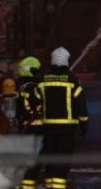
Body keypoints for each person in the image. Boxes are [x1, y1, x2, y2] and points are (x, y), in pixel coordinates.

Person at [31, 47, 88, 189]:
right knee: (62, 160)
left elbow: (34, 100)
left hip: (48, 128)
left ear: (52, 62)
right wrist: (84, 123)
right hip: (67, 129)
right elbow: (81, 104)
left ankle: (50, 185)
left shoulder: (43, 80)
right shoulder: (73, 81)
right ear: (66, 62)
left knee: (50, 159)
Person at [14, 55, 43, 189]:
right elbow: (39, 103)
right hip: (36, 125)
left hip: (25, 124)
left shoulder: (20, 85)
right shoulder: (33, 87)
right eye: (37, 70)